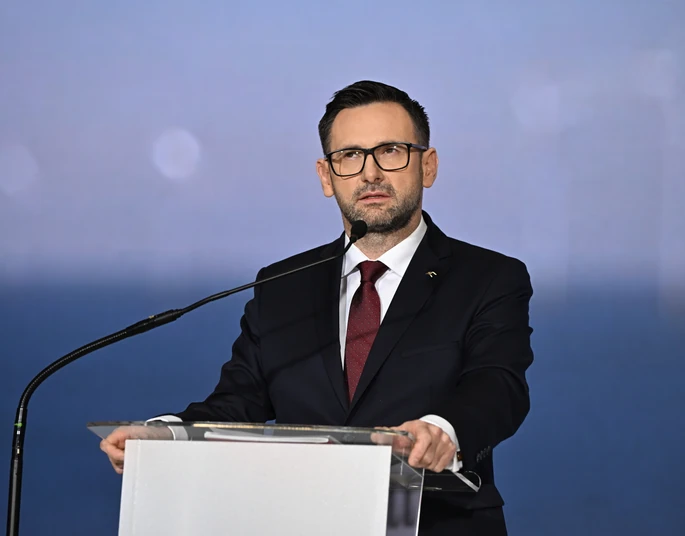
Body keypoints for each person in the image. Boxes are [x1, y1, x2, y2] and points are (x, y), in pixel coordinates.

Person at [101, 80, 534, 535]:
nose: (370, 173)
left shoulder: (488, 278)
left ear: (428, 166)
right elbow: (238, 402)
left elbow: (498, 385)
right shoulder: (283, 286)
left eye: (390, 151)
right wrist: (162, 437)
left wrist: (443, 430)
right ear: (327, 177)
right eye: (349, 156)